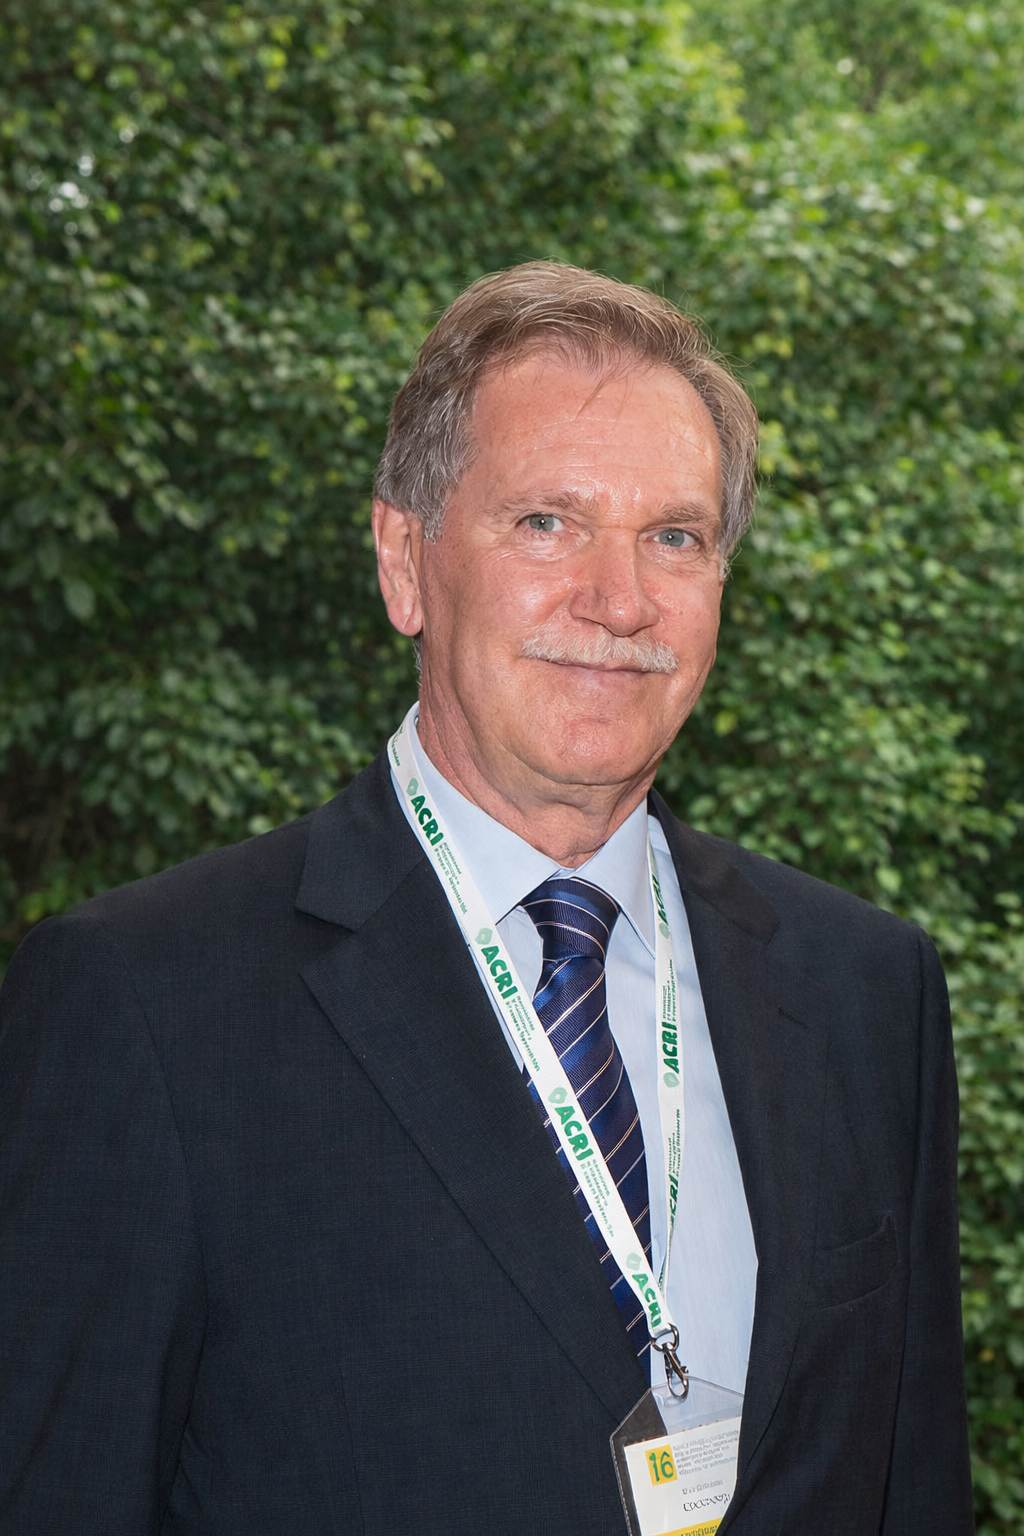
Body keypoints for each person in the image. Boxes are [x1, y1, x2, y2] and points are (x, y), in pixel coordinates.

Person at [0, 263, 973, 1534]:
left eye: (674, 537)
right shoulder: (143, 1004)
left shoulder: (865, 991)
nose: (620, 601)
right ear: (404, 562)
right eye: (547, 522)